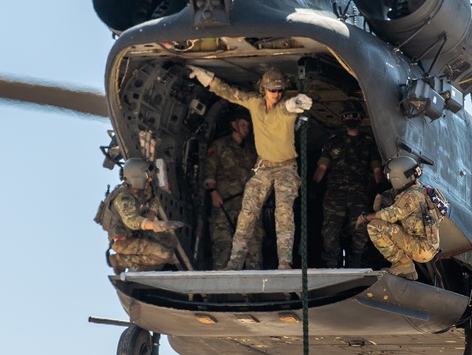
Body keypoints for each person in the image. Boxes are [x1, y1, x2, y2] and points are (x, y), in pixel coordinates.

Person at [188, 66, 311, 269]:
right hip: (262, 168)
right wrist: (209, 80)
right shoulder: (255, 104)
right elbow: (231, 93)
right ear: (264, 90)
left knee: (283, 214)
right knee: (247, 214)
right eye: (273, 90)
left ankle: (284, 262)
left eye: (280, 91)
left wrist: (293, 102)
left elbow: (287, 108)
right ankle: (235, 262)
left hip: (286, 169)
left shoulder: (284, 110)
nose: (277, 94)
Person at [312, 98, 383, 267]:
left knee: (360, 229)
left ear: (360, 118)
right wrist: (314, 185)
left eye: (354, 115)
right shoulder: (333, 141)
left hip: (358, 193)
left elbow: (377, 170)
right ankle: (332, 262)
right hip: (335, 193)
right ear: (343, 119)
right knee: (330, 230)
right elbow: (322, 166)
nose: (350, 118)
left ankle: (356, 261)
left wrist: (380, 188)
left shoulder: (368, 143)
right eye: (347, 115)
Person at [363, 155, 442, 281]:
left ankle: (403, 264)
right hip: (428, 245)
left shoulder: (411, 196)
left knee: (375, 226)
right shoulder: (421, 189)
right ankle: (406, 268)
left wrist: (366, 217)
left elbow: (390, 215)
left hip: (421, 248)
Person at [203, 110, 261, 268]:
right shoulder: (220, 145)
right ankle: (220, 287)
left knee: (253, 244)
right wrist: (212, 191)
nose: (245, 128)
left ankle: (254, 287)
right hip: (224, 203)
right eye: (243, 124)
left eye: (248, 126)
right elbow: (209, 169)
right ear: (233, 125)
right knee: (223, 244)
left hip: (247, 203)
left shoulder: (251, 149)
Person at [105, 158, 181, 273]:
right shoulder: (123, 198)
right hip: (124, 241)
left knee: (170, 241)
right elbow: (134, 222)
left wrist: (151, 214)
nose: (150, 180)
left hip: (137, 232)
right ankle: (120, 260)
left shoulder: (140, 189)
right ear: (137, 179)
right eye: (147, 178)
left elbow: (154, 199)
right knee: (165, 254)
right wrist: (158, 225)